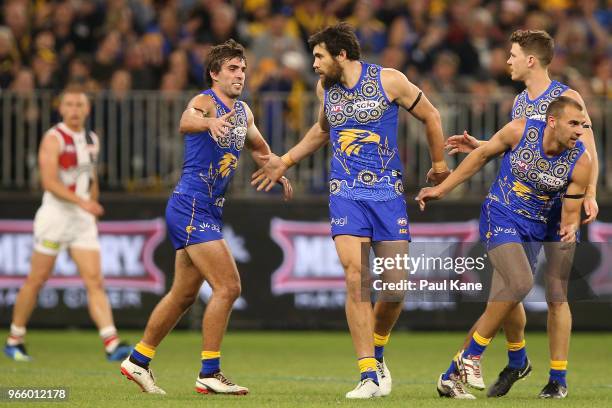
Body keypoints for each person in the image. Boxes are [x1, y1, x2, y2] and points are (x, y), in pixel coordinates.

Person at [251, 23, 449, 399]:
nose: (314, 64)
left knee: (395, 290)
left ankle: (377, 352)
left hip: (388, 195)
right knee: (354, 275)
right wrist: (285, 161)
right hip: (346, 193)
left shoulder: (389, 81)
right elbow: (323, 130)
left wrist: (439, 167)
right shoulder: (326, 89)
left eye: (319, 56)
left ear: (341, 55)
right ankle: (367, 375)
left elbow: (432, 116)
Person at [119, 39, 292, 395]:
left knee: (183, 295)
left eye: (242, 69)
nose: (240, 75)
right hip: (191, 205)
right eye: (232, 68)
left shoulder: (244, 112)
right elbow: (187, 120)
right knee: (229, 287)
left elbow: (259, 148)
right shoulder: (204, 102)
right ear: (214, 73)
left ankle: (138, 360)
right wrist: (208, 123)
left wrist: (277, 167)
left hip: (207, 208)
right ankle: (209, 372)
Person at [444, 29, 599, 398]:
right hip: (521, 207)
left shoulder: (567, 98)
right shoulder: (518, 103)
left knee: (557, 294)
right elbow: (519, 146)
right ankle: (518, 359)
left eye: (512, 54)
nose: (507, 60)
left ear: (531, 60)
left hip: (562, 204)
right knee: (510, 287)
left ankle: (557, 379)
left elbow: (587, 150)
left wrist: (589, 192)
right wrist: (481, 146)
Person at [417, 96, 592, 399]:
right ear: (552, 121)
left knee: (514, 296)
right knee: (520, 282)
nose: (580, 131)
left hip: (542, 223)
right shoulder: (521, 129)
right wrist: (442, 189)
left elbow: (570, 212)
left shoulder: (581, 160)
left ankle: (468, 373)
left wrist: (571, 225)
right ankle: (471, 356)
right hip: (502, 212)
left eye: (583, 125)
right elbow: (483, 155)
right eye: (574, 123)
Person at [4, 87, 132, 362]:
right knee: (37, 279)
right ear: (61, 109)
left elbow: (91, 176)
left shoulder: (91, 139)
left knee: (95, 280)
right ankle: (15, 338)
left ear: (87, 109)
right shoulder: (54, 138)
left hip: (82, 219)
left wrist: (92, 203)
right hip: (56, 216)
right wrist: (83, 202)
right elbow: (48, 182)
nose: (74, 110)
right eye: (70, 104)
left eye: (80, 105)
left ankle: (111, 343)